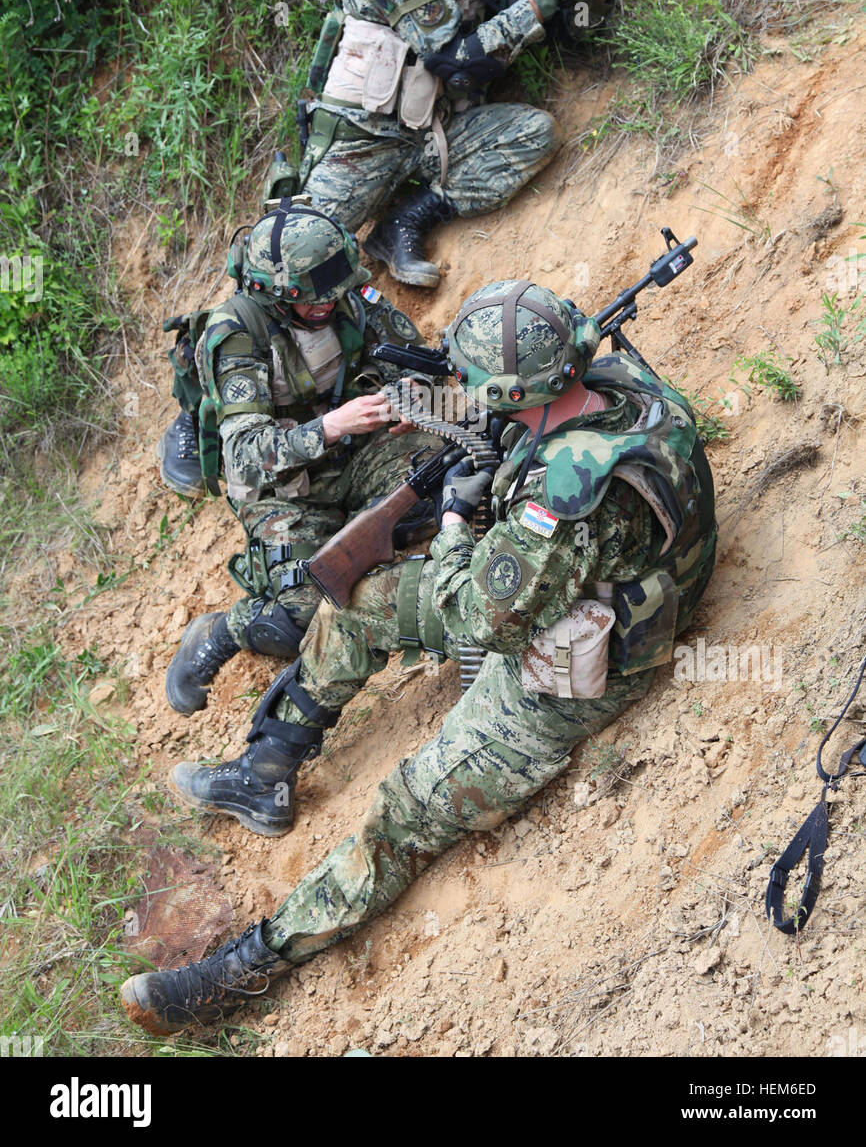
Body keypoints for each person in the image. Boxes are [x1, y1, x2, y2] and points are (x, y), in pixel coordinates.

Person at [121, 278, 717, 1034]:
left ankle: (244, 970)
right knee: (356, 608)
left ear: (515, 389)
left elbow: (484, 620)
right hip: (561, 591)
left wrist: (462, 518)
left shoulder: (561, 501)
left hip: (576, 664)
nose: (463, 389)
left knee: (405, 809)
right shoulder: (616, 384)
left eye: (475, 382)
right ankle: (265, 769)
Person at [287, 0, 654, 288]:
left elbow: (566, 37)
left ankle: (404, 221)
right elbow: (455, 58)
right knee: (299, 257)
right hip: (366, 138)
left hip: (438, 134)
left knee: (534, 133)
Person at [163, 197, 442, 722]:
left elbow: (416, 354)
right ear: (276, 294)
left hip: (358, 453)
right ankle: (223, 631)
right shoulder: (235, 336)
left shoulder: (343, 295)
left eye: (334, 296)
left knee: (442, 477)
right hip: (283, 489)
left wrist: (412, 394)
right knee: (300, 614)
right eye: (314, 301)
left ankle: (369, 531)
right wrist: (329, 427)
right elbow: (245, 454)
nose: (327, 308)